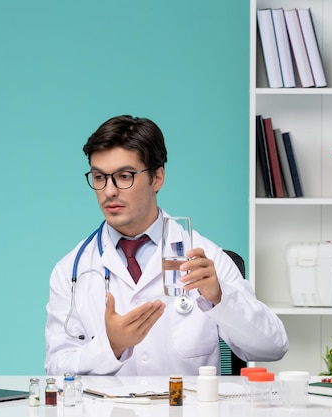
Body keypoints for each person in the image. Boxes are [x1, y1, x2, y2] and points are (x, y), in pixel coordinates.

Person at [44, 115, 288, 376]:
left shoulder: (205, 256)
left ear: (157, 177)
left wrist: (220, 296)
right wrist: (111, 346)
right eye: (100, 177)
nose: (109, 191)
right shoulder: (72, 268)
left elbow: (273, 347)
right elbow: (56, 368)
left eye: (124, 176)